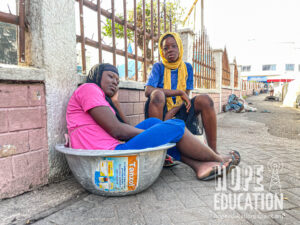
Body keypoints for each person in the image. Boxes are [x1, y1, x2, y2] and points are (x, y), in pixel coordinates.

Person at [66, 63, 240, 181]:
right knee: (176, 126)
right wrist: (157, 137)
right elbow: (117, 131)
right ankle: (217, 158)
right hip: (109, 155)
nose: (115, 82)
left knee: (152, 123)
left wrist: (154, 133)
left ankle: (199, 166)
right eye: (110, 77)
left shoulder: (100, 97)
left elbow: (121, 129)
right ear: (96, 75)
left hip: (111, 148)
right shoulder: (89, 88)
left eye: (117, 81)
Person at [144, 32, 222, 161]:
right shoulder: (158, 67)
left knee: (205, 100)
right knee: (157, 94)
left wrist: (173, 111)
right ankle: (159, 153)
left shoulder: (187, 68)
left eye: (174, 46)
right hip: (159, 109)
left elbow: (186, 96)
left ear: (179, 47)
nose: (170, 50)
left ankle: (212, 152)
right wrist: (178, 92)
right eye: (166, 48)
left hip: (180, 108)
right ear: (162, 52)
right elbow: (148, 90)